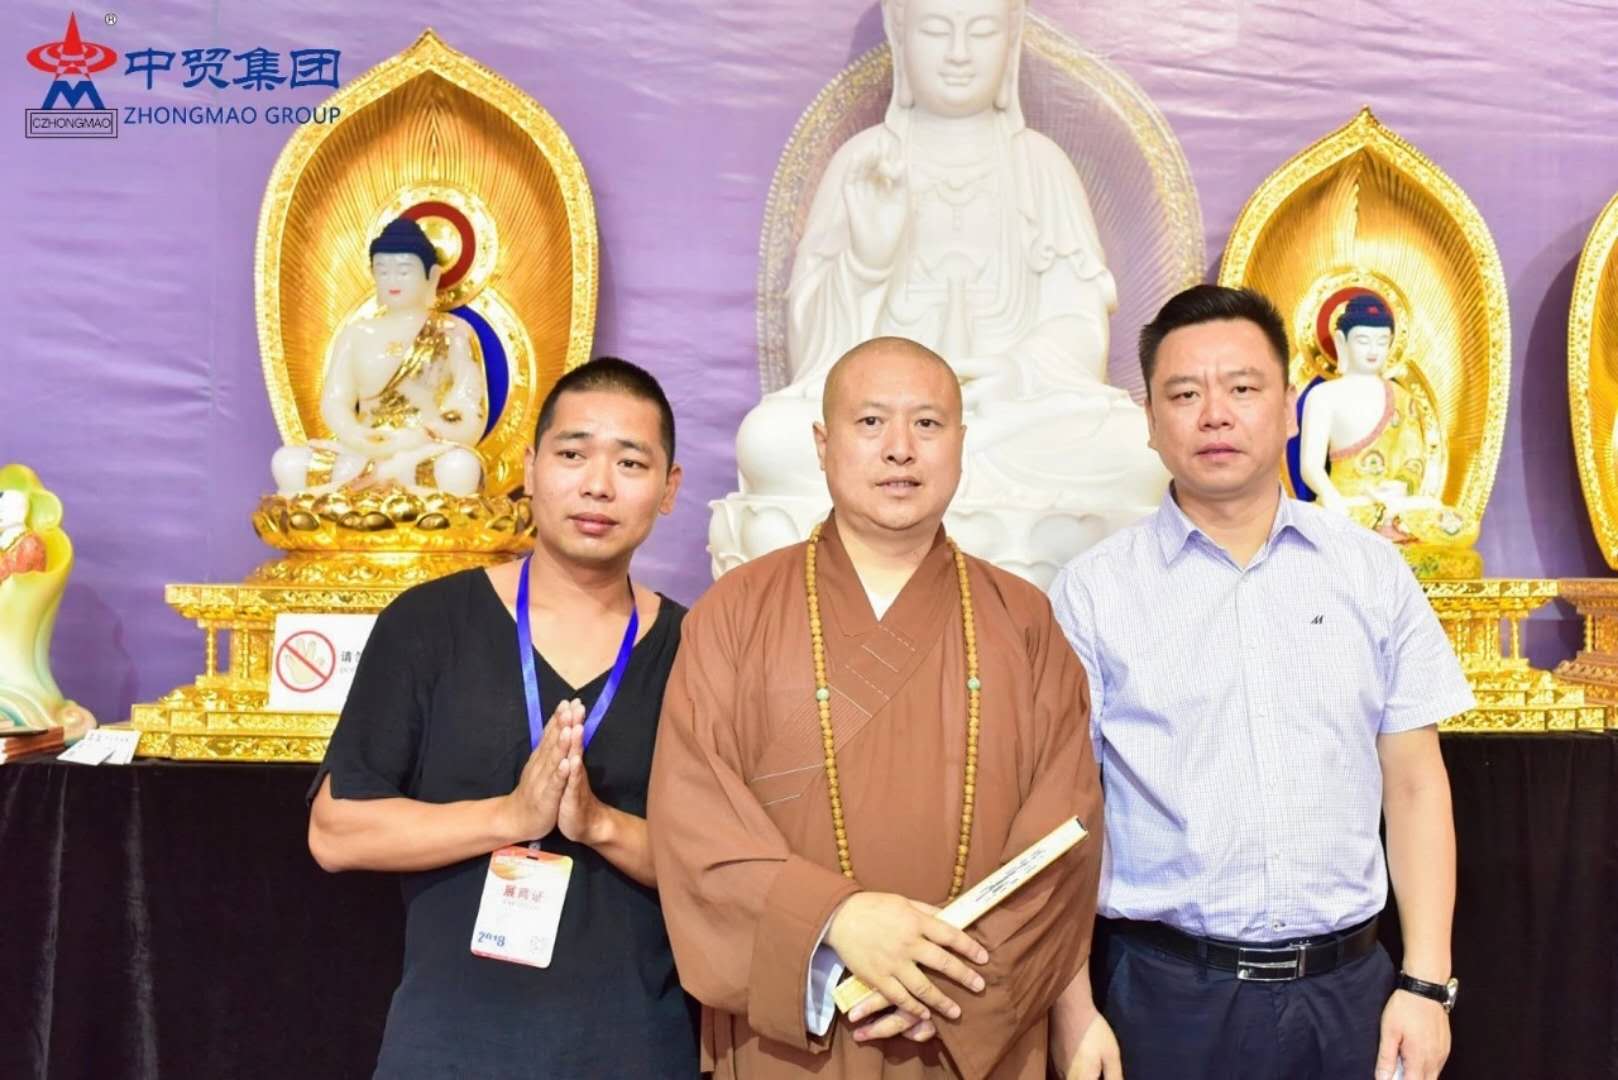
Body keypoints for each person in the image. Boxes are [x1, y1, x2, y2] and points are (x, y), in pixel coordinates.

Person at [650, 335, 1104, 1079]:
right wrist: (834, 920)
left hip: (970, 1019)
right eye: (870, 423)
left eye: (927, 423)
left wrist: (957, 984)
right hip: (797, 1029)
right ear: (822, 444)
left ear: (961, 443)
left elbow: (1065, 832)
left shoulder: (1022, 619)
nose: (900, 449)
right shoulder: (734, 612)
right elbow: (694, 824)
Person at [1048, 285, 1469, 1080]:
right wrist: (1072, 1009)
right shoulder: (1093, 593)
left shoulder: (1372, 573)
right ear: (1150, 420)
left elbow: (1415, 784)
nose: (1215, 414)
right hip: (1165, 998)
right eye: (1184, 394)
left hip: (1350, 995)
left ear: (1288, 408)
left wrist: (1426, 984)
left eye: (1242, 387)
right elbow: (1066, 813)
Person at [306, 357, 697, 1078]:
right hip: (449, 1048)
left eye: (630, 463)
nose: (598, 485)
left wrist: (600, 825)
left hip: (632, 1046)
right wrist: (511, 815)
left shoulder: (697, 649)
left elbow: (719, 867)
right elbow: (335, 832)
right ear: (529, 468)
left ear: (669, 489)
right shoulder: (428, 624)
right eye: (573, 454)